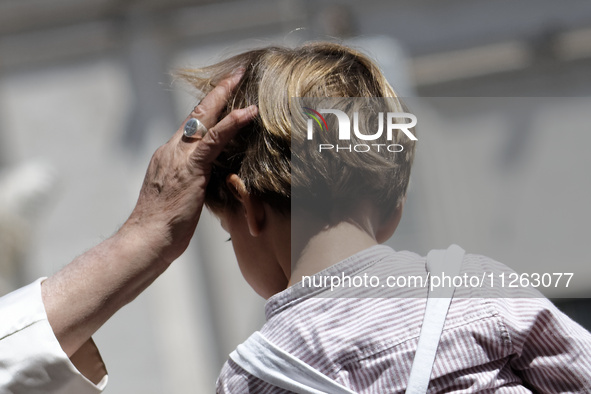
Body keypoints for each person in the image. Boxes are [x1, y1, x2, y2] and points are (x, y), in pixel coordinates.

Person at [1, 41, 590, 393]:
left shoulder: (252, 372)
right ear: (392, 208)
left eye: (228, 233)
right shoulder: (478, 289)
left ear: (249, 208)